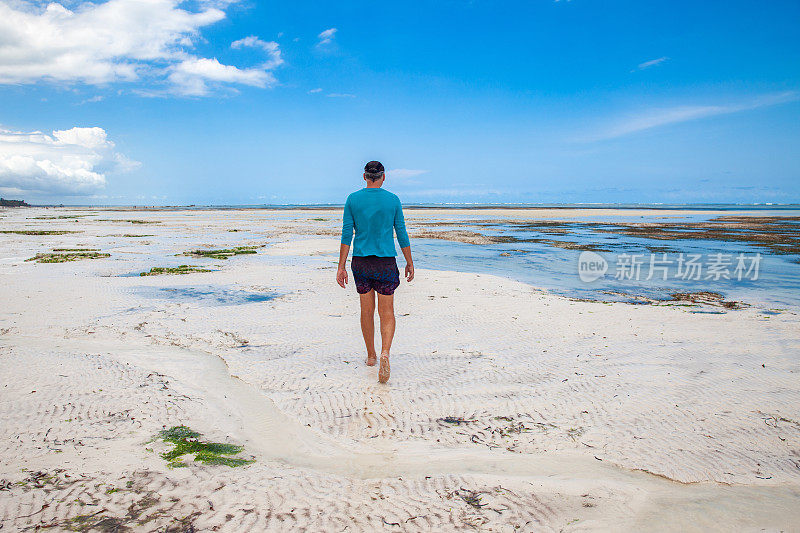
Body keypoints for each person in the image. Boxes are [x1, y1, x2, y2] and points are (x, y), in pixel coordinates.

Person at [337, 161, 414, 383]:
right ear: (383, 177)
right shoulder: (393, 200)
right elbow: (401, 233)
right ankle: (385, 353)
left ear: (364, 176)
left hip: (361, 261)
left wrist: (341, 267)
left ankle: (371, 356)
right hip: (386, 262)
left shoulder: (353, 199)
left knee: (366, 311)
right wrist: (409, 262)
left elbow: (346, 235)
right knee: (387, 311)